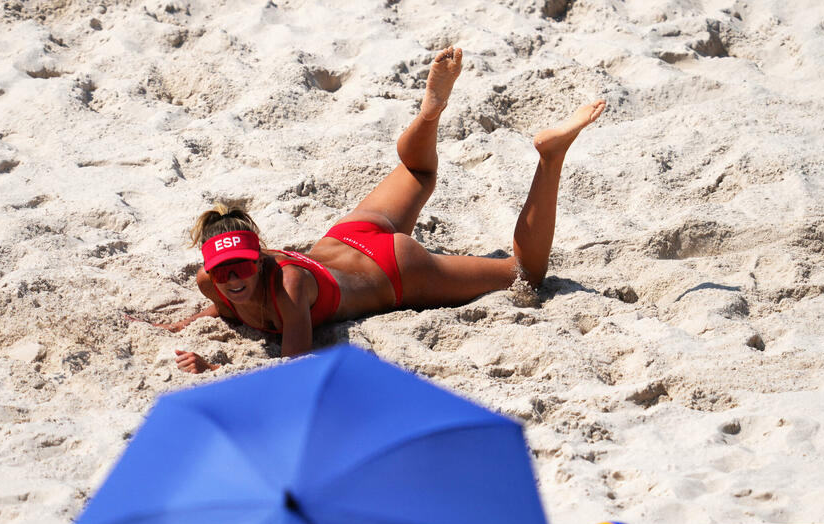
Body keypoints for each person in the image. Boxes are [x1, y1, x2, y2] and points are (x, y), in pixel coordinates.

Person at [132, 47, 605, 373]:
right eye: (223, 273)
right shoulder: (211, 284)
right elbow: (223, 308)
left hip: (394, 269)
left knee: (525, 274)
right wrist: (187, 323)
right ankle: (431, 111)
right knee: (419, 174)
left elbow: (292, 371)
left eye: (241, 268)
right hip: (345, 238)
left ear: (260, 260)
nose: (232, 281)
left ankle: (549, 155)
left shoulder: (289, 289)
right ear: (208, 271)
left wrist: (215, 365)